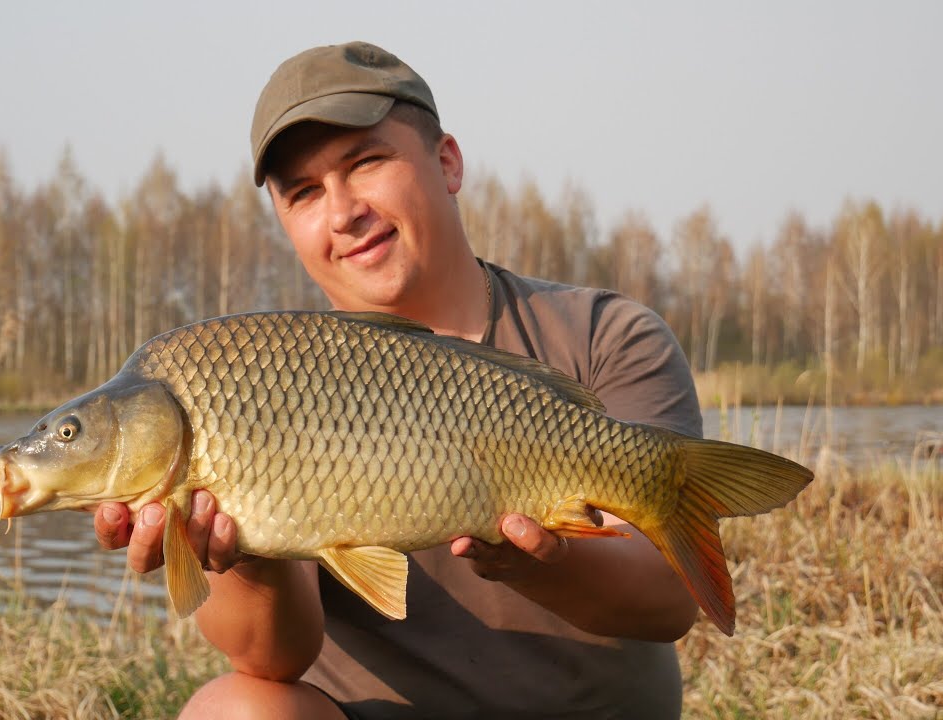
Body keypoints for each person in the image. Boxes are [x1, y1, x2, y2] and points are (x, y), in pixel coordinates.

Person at [93, 40, 704, 719]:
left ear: (447, 162)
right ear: (286, 225)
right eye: (303, 193)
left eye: (367, 162)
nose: (342, 210)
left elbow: (670, 601)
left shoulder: (602, 336)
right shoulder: (265, 382)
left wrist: (533, 559)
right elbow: (273, 662)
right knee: (233, 710)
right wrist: (249, 558)